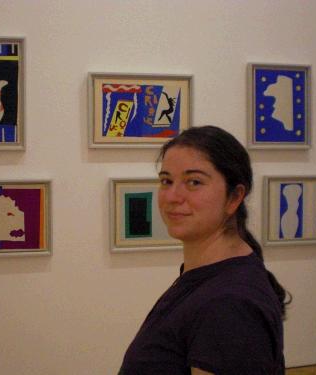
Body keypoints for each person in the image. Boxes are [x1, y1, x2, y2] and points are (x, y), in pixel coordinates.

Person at [119, 125, 290, 375]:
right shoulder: (207, 278)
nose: (173, 196)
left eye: (194, 182)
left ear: (234, 197)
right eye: (167, 180)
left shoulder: (230, 304)